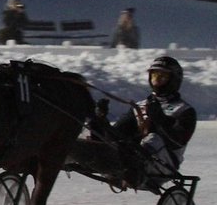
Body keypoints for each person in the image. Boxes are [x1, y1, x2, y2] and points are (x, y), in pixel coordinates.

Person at [69, 56, 196, 188]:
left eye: (162, 77)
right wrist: (101, 120)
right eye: (154, 76)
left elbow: (178, 141)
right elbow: (116, 135)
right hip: (131, 159)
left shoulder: (184, 110)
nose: (157, 81)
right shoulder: (141, 106)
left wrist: (160, 119)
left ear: (174, 80)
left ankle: (133, 168)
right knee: (93, 132)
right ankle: (76, 152)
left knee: (154, 138)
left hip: (163, 166)